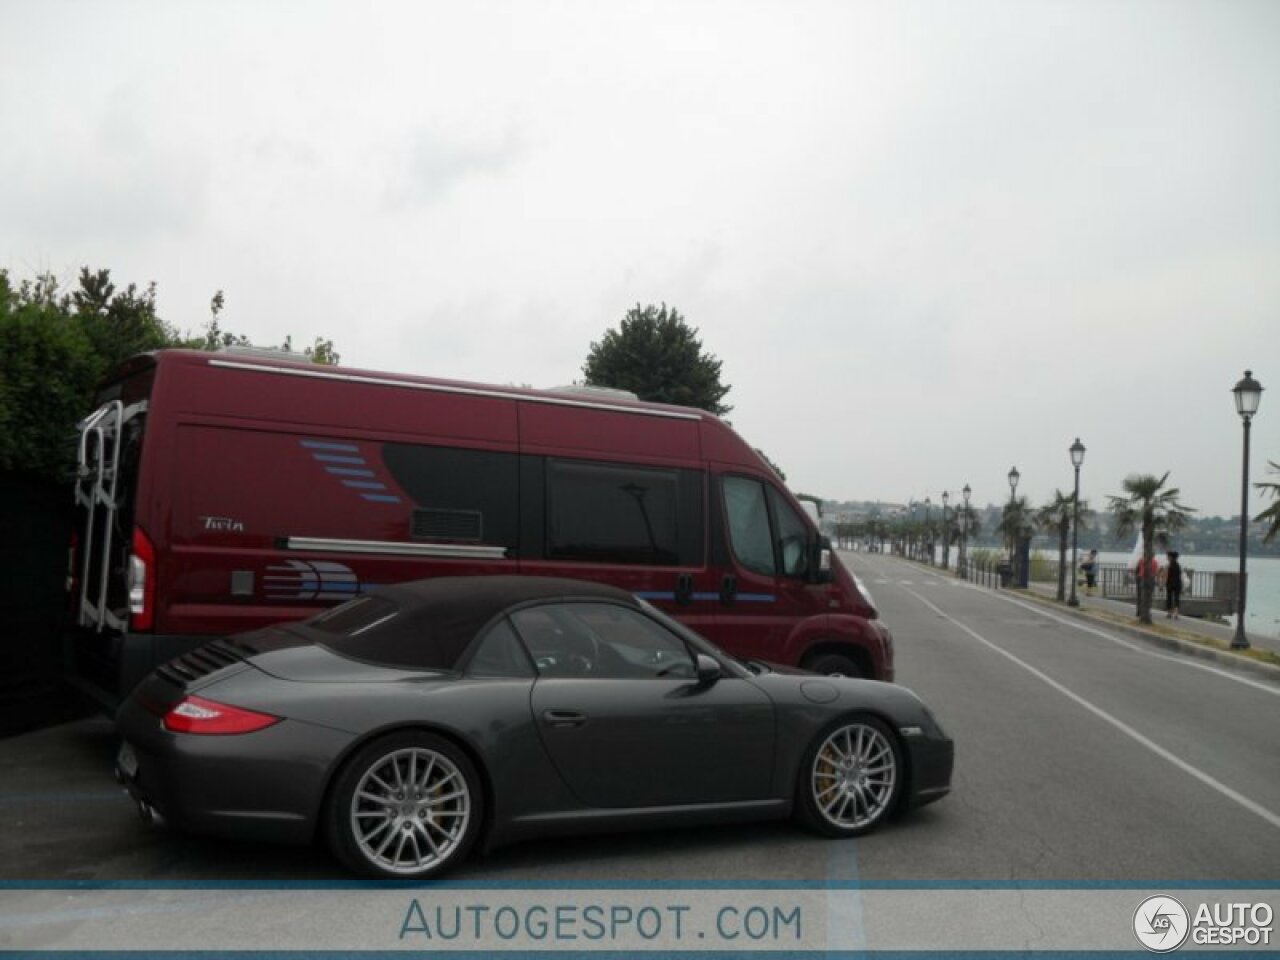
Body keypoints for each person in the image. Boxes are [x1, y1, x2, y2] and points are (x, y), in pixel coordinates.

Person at [1163, 550, 1183, 619]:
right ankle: (1176, 614)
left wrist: (1163, 583)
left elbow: (1166, 575)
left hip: (1170, 584)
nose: (1167, 558)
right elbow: (1180, 575)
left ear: (1171, 557)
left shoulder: (1168, 565)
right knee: (1176, 598)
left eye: (1168, 556)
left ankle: (1169, 613)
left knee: (1169, 598)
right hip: (1178, 583)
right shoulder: (1178, 565)